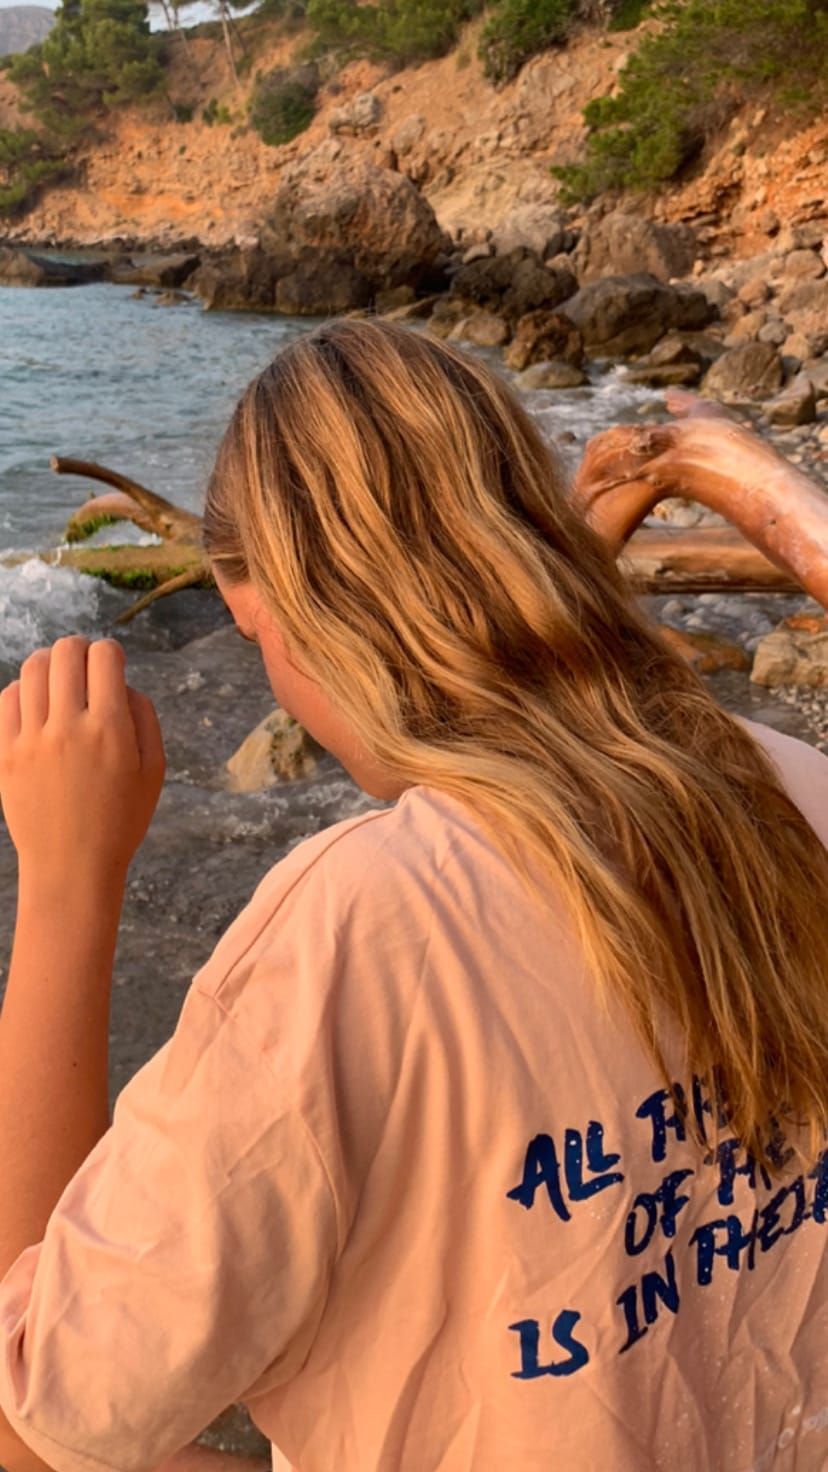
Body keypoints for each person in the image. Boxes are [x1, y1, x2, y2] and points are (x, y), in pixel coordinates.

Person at [0, 317, 826, 1472]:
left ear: (319, 618)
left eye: (258, 638)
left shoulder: (354, 931)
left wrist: (67, 884)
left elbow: (38, 1416)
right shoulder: (798, 790)